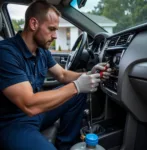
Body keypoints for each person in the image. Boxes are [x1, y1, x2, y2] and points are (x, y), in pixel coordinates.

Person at [0, 1, 111, 150]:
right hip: (13, 123)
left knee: (78, 94)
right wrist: (77, 86)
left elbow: (63, 75)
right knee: (76, 90)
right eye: (51, 29)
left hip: (37, 114)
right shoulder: (6, 53)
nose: (55, 36)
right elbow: (29, 104)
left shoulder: (42, 51)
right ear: (33, 24)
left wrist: (90, 74)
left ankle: (66, 145)